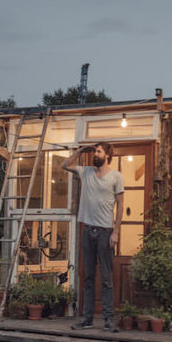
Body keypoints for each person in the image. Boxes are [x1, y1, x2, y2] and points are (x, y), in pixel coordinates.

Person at [62, 142, 124, 332]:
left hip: (105, 232)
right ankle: (87, 319)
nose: (95, 154)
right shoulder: (86, 171)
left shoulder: (115, 176)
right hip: (87, 231)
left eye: (98, 151)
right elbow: (64, 165)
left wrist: (116, 231)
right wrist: (80, 151)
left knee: (106, 278)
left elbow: (121, 205)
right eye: (94, 151)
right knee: (87, 277)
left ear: (107, 155)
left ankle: (108, 319)